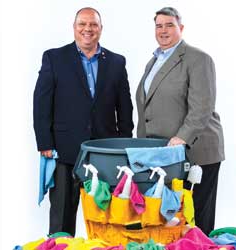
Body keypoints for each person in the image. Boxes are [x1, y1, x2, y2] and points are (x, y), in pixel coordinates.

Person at [33, 7, 134, 236]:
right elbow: (41, 103)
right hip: (64, 151)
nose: (87, 29)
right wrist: (45, 142)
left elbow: (125, 108)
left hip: (105, 154)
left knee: (106, 217)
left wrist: (124, 145)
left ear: (100, 29)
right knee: (62, 217)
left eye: (93, 25)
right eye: (82, 24)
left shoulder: (117, 62)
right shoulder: (54, 58)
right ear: (74, 27)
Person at [136, 7, 225, 235]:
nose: (163, 30)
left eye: (169, 25)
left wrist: (182, 138)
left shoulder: (198, 59)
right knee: (170, 218)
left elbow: (202, 107)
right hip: (164, 155)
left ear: (181, 28)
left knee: (196, 219)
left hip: (196, 152)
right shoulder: (154, 61)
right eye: (159, 25)